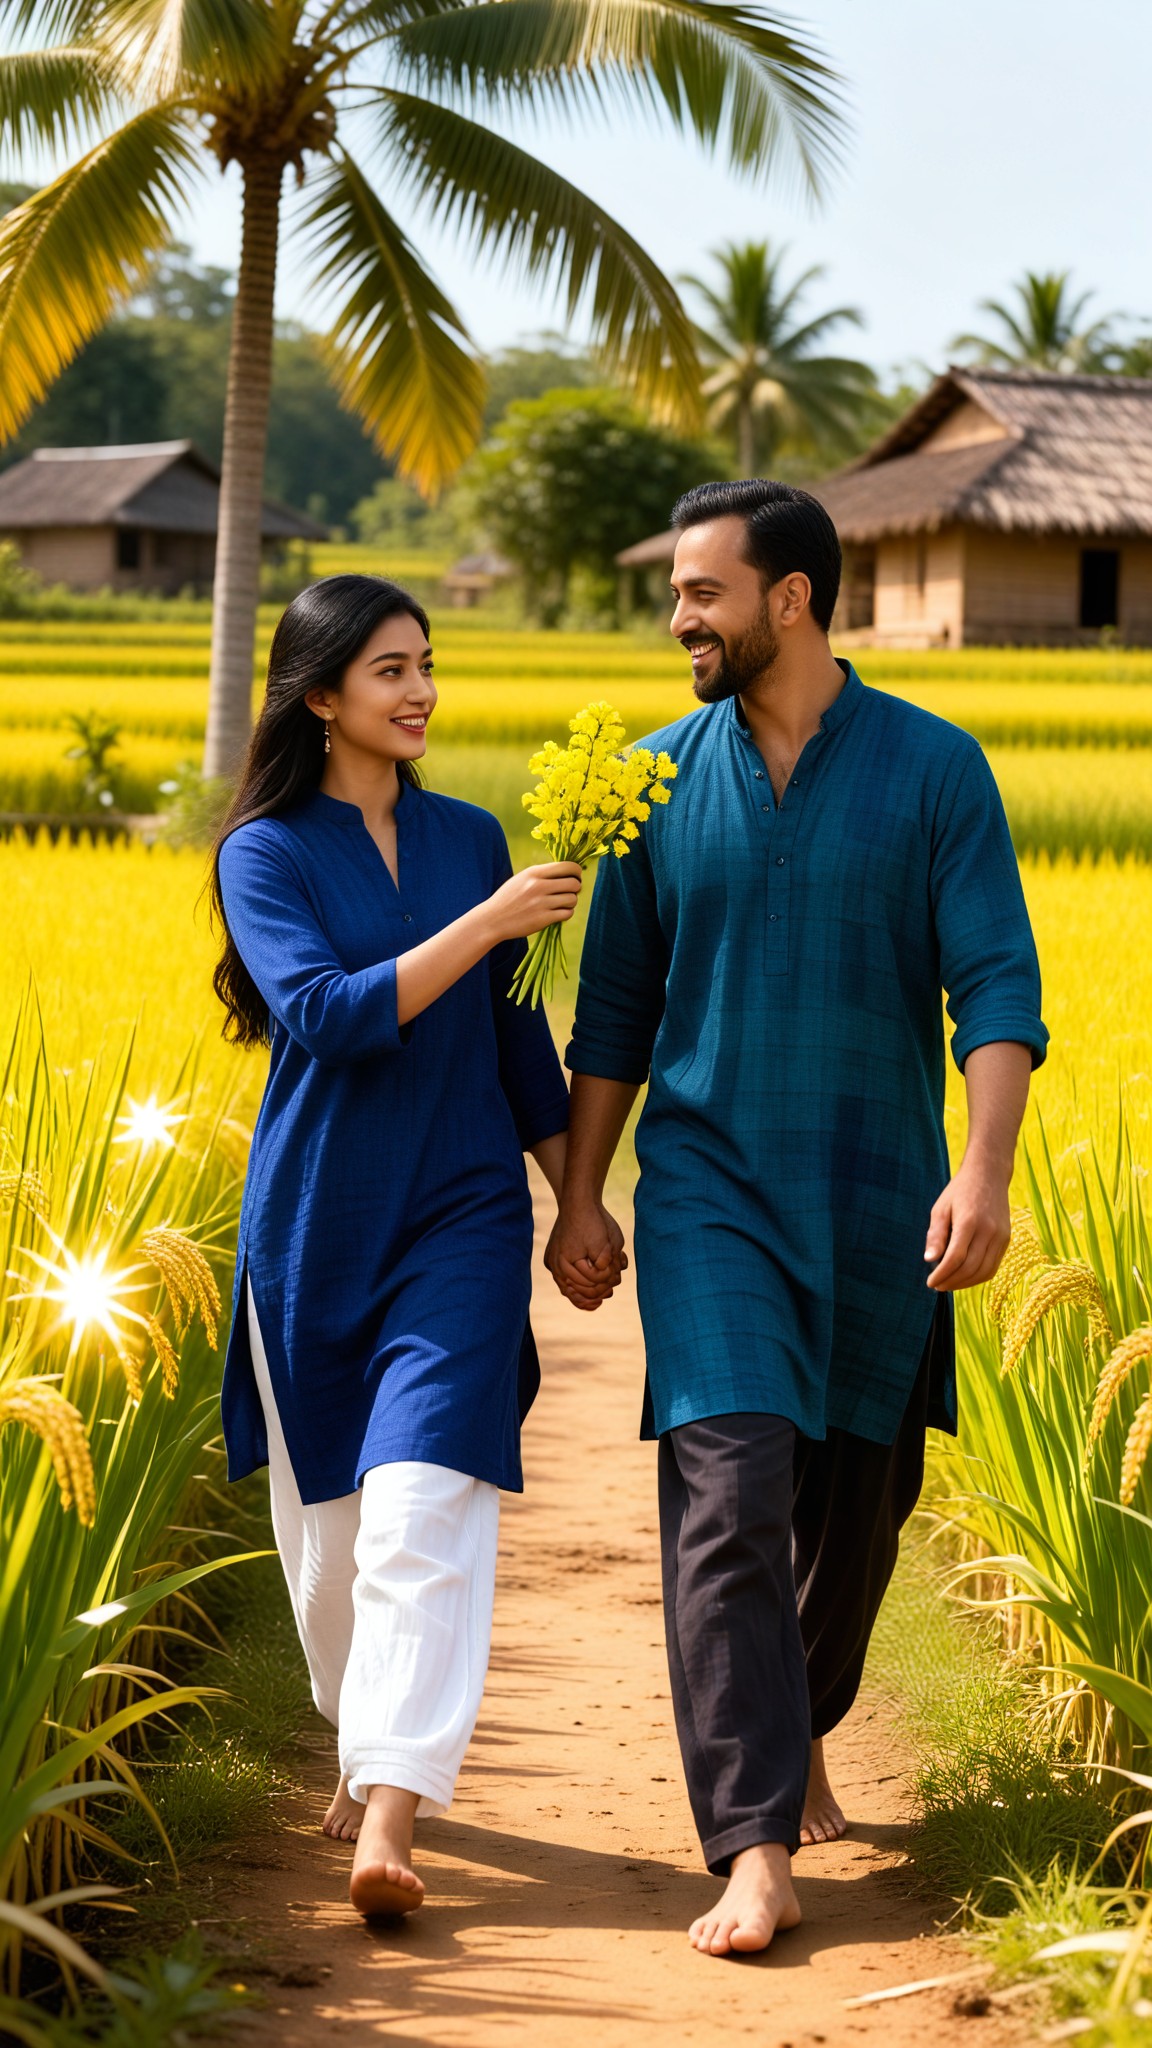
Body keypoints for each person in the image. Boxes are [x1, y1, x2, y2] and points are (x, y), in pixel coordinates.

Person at [546, 480, 1047, 1958]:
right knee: (728, 1491)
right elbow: (617, 1012)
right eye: (677, 594)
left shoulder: (935, 769)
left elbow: (997, 988)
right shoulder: (648, 780)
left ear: (792, 598)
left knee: (861, 1507)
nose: (680, 618)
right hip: (708, 1193)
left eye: (704, 591)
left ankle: (798, 1715)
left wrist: (986, 1170)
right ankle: (753, 1844)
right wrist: (581, 1191)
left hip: (883, 1190)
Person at [211, 574, 608, 1920]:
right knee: (330, 1547)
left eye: (426, 663)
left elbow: (513, 1046)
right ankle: (361, 1727)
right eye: (390, 670)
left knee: (420, 1505)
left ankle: (391, 1807)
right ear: (321, 696)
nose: (421, 689)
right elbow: (322, 1017)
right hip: (318, 1222)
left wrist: (577, 1198)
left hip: (461, 1215)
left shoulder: (469, 832)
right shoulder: (262, 853)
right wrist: (492, 921)